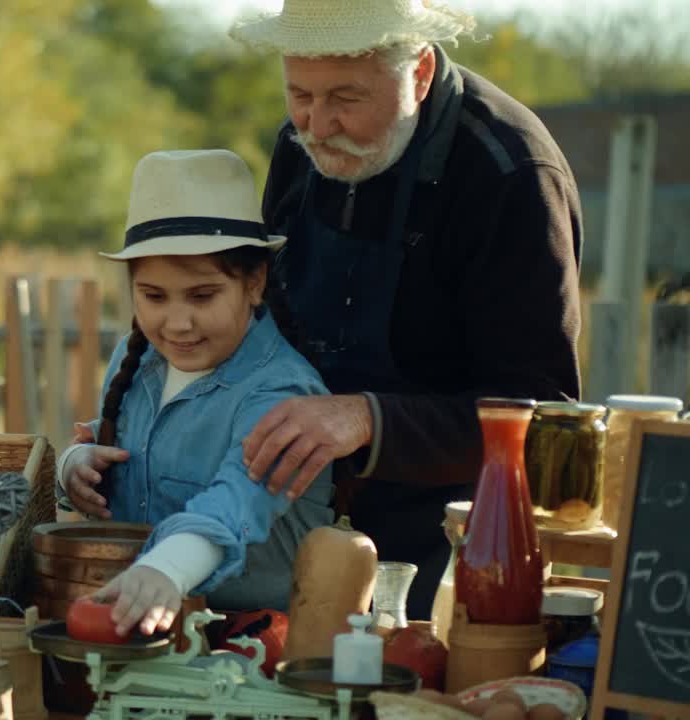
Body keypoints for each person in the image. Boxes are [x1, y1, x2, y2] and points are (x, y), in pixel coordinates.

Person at [226, 0, 584, 618]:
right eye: (299, 95)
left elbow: (542, 416)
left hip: (452, 539)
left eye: (346, 98)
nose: (317, 125)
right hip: (298, 516)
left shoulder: (510, 174)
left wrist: (367, 419)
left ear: (418, 74)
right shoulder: (298, 145)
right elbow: (267, 317)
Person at [56, 148, 334, 639]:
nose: (178, 323)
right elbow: (125, 467)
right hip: (138, 621)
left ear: (254, 283)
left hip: (251, 645)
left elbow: (239, 498)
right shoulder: (134, 359)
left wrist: (167, 569)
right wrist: (75, 465)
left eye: (202, 296)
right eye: (154, 297)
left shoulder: (284, 394)